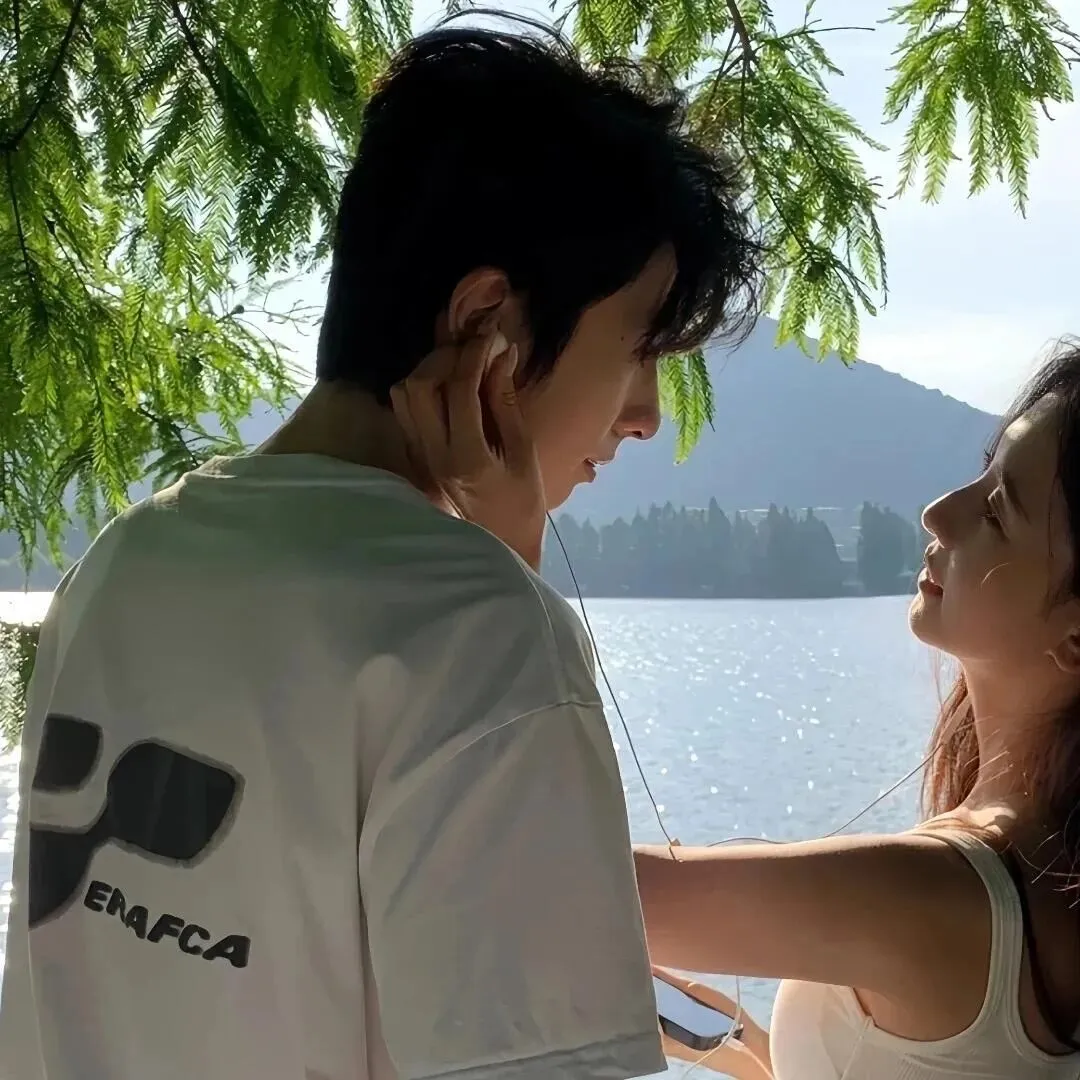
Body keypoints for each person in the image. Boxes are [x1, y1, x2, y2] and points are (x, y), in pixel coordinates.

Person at [0, 16, 761, 1080]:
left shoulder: (124, 558)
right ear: (487, 318)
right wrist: (501, 586)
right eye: (640, 349)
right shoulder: (477, 636)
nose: (646, 416)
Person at [632, 341, 1080, 1079]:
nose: (940, 513)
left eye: (999, 511)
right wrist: (750, 1051)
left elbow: (573, 888)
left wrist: (502, 525)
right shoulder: (1046, 875)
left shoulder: (942, 894)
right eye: (982, 476)